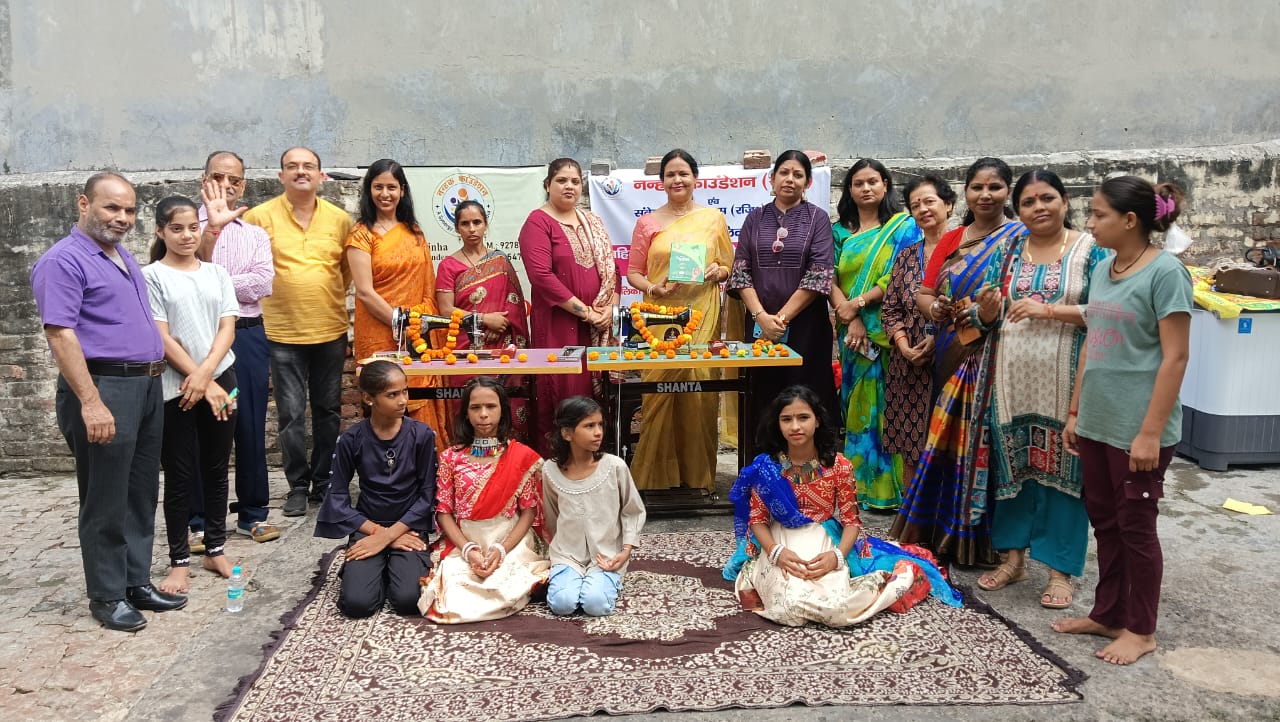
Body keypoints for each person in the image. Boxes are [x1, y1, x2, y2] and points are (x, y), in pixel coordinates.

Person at [30, 172, 186, 632]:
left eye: (129, 210)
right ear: (84, 204)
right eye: (111, 207)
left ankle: (135, 581)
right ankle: (107, 595)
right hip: (104, 388)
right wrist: (91, 402)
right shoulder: (63, 261)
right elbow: (60, 334)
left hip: (145, 386)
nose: (122, 217)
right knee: (105, 496)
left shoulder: (120, 256)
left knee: (140, 490)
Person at [1056, 177, 1192, 666]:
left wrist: (1150, 433)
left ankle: (1141, 629)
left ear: (1130, 220)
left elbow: (1176, 357)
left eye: (1099, 214)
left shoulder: (1167, 273)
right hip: (1097, 421)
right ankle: (1109, 614)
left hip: (1138, 429)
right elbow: (1093, 342)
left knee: (1136, 528)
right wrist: (1076, 412)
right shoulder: (1104, 269)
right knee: (1106, 523)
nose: (1090, 223)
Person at [977, 170, 1108, 609]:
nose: (1039, 207)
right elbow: (987, 313)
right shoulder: (1009, 250)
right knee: (1013, 470)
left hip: (1065, 384)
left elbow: (1108, 311)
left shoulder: (1091, 250)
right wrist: (987, 307)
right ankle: (1012, 559)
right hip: (1011, 382)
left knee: (1066, 474)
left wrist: (1048, 310)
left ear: (1065, 200)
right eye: (1029, 202)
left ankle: (1060, 570)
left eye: (1047, 198)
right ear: (1018, 210)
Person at [723, 386, 959, 628]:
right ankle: (765, 574)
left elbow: (851, 522)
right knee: (786, 610)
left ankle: (879, 583)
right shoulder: (766, 466)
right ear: (778, 424)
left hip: (823, 538)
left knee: (836, 610)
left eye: (803, 417)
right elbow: (758, 520)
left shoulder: (839, 466)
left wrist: (836, 557)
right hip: (778, 540)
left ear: (817, 421)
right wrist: (776, 553)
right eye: (786, 419)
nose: (795, 426)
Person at [889, 157, 1024, 567]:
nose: (985, 195)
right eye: (977, 187)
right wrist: (935, 310)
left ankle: (995, 542)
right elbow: (924, 293)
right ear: (965, 192)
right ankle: (946, 532)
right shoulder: (953, 240)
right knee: (949, 439)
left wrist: (987, 313)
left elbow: (1029, 292)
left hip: (1000, 352)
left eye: (995, 187)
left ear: (1007, 191)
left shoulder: (1021, 237)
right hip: (952, 352)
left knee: (990, 443)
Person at [245, 147, 353, 517]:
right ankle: (297, 485)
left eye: (308, 166)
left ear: (321, 176)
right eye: (292, 166)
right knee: (290, 414)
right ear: (281, 176)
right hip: (281, 333)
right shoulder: (259, 217)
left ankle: (323, 481)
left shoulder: (339, 219)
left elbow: (345, 271)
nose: (301, 171)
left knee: (328, 411)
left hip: (329, 329)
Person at [144, 196, 240, 595]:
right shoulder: (151, 276)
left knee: (217, 467)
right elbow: (161, 336)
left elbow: (227, 327)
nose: (186, 236)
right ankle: (179, 561)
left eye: (192, 228)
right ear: (160, 231)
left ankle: (215, 548)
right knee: (180, 474)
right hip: (177, 387)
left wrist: (208, 376)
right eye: (177, 229)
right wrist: (199, 378)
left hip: (220, 378)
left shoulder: (217, 272)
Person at [625, 149, 734, 490]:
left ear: (695, 178)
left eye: (683, 173)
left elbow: (728, 265)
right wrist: (653, 288)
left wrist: (717, 271)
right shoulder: (647, 223)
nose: (677, 180)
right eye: (670, 174)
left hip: (702, 315)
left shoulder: (713, 219)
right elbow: (633, 273)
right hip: (660, 319)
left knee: (699, 393)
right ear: (661, 181)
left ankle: (697, 477)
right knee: (658, 395)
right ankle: (656, 479)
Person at [727, 150, 837, 456]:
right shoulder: (755, 218)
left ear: (808, 182)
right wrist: (761, 317)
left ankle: (808, 472)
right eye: (784, 173)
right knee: (763, 396)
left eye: (798, 175)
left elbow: (819, 274)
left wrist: (781, 319)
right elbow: (740, 272)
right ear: (772, 179)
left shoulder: (818, 219)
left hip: (806, 328)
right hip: (760, 327)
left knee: (805, 397)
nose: (790, 179)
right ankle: (763, 470)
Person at [197, 150, 280, 544]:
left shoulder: (254, 234)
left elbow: (263, 284)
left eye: (234, 179)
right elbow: (183, 278)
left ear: (243, 185)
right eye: (218, 177)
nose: (226, 185)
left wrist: (213, 281)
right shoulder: (186, 226)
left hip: (247, 334)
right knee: (200, 427)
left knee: (249, 424)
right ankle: (198, 520)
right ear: (204, 180)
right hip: (199, 336)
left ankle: (252, 513)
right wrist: (226, 279)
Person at [829, 159, 922, 509]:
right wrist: (849, 314)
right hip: (851, 333)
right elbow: (827, 276)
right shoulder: (839, 232)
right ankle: (858, 489)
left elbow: (900, 274)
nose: (866, 188)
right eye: (858, 183)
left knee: (891, 408)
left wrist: (860, 303)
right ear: (849, 190)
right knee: (857, 408)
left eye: (872, 181)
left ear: (885, 185)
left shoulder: (903, 227)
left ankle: (892, 490)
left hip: (890, 330)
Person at [419, 377, 550, 622]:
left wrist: (501, 549)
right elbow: (443, 512)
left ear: (503, 410)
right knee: (454, 595)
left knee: (503, 585)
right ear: (465, 413)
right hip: (464, 540)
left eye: (491, 406)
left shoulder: (521, 457)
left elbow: (528, 512)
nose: (483, 414)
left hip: (510, 540)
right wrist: (468, 550)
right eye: (475, 407)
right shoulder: (450, 459)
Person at [316, 360, 437, 618]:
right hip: (367, 525)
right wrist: (379, 533)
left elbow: (427, 497)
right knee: (357, 604)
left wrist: (389, 535)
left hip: (409, 527)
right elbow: (337, 499)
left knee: (409, 600)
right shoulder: (351, 440)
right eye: (392, 395)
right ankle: (374, 571)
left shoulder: (422, 435)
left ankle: (389, 568)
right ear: (369, 399)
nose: (403, 400)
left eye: (405, 391)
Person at [346, 158, 451, 451]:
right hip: (379, 332)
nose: (385, 194)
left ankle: (425, 464)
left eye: (391, 187)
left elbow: (427, 287)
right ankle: (384, 469)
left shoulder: (414, 232)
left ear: (402, 190)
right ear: (369, 190)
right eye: (378, 187)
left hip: (418, 334)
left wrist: (416, 325)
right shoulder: (361, 234)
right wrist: (400, 322)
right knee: (384, 398)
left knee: (419, 400)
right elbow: (365, 291)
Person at [518, 158, 619, 454]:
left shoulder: (592, 222)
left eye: (575, 181)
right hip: (557, 327)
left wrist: (608, 310)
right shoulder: (538, 222)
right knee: (563, 392)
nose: (569, 186)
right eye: (561, 180)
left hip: (596, 327)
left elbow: (613, 271)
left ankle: (590, 462)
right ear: (547, 185)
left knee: (594, 395)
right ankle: (558, 464)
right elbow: (541, 276)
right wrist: (587, 313)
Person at [881, 175, 954, 500]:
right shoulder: (907, 256)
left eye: (929, 201)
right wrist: (904, 346)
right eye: (915, 205)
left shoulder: (966, 253)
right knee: (910, 446)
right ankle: (912, 519)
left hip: (952, 361)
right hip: (907, 365)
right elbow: (890, 309)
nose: (923, 209)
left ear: (948, 204)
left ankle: (945, 519)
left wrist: (937, 340)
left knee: (950, 444)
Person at [543, 396, 646, 616]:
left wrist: (625, 551)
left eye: (600, 425)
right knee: (562, 604)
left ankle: (603, 581)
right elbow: (551, 514)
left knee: (595, 604)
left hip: (606, 555)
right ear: (567, 433)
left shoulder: (614, 467)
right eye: (589, 426)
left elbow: (632, 511)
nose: (598, 432)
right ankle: (569, 578)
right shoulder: (550, 470)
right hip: (567, 555)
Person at [435, 200, 531, 437]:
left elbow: (514, 302)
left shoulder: (500, 261)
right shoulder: (448, 266)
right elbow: (446, 310)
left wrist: (499, 325)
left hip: (503, 344)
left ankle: (508, 452)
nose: (472, 229)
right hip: (465, 348)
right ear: (457, 228)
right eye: (465, 224)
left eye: (477, 222)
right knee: (469, 405)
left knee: (506, 406)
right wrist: (485, 320)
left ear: (485, 225)